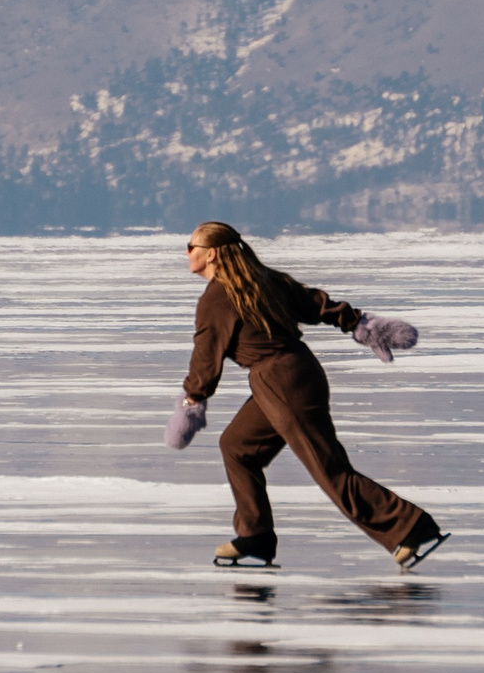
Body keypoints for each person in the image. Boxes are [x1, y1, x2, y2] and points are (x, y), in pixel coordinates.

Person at [175, 220, 447, 571]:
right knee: (237, 446)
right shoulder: (262, 279)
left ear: (210, 253)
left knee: (329, 468)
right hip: (294, 373)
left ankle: (410, 527)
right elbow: (316, 303)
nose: (186, 252)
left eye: (190, 245)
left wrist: (192, 401)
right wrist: (358, 323)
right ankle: (255, 535)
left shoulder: (216, 299)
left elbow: (205, 362)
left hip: (280, 381)